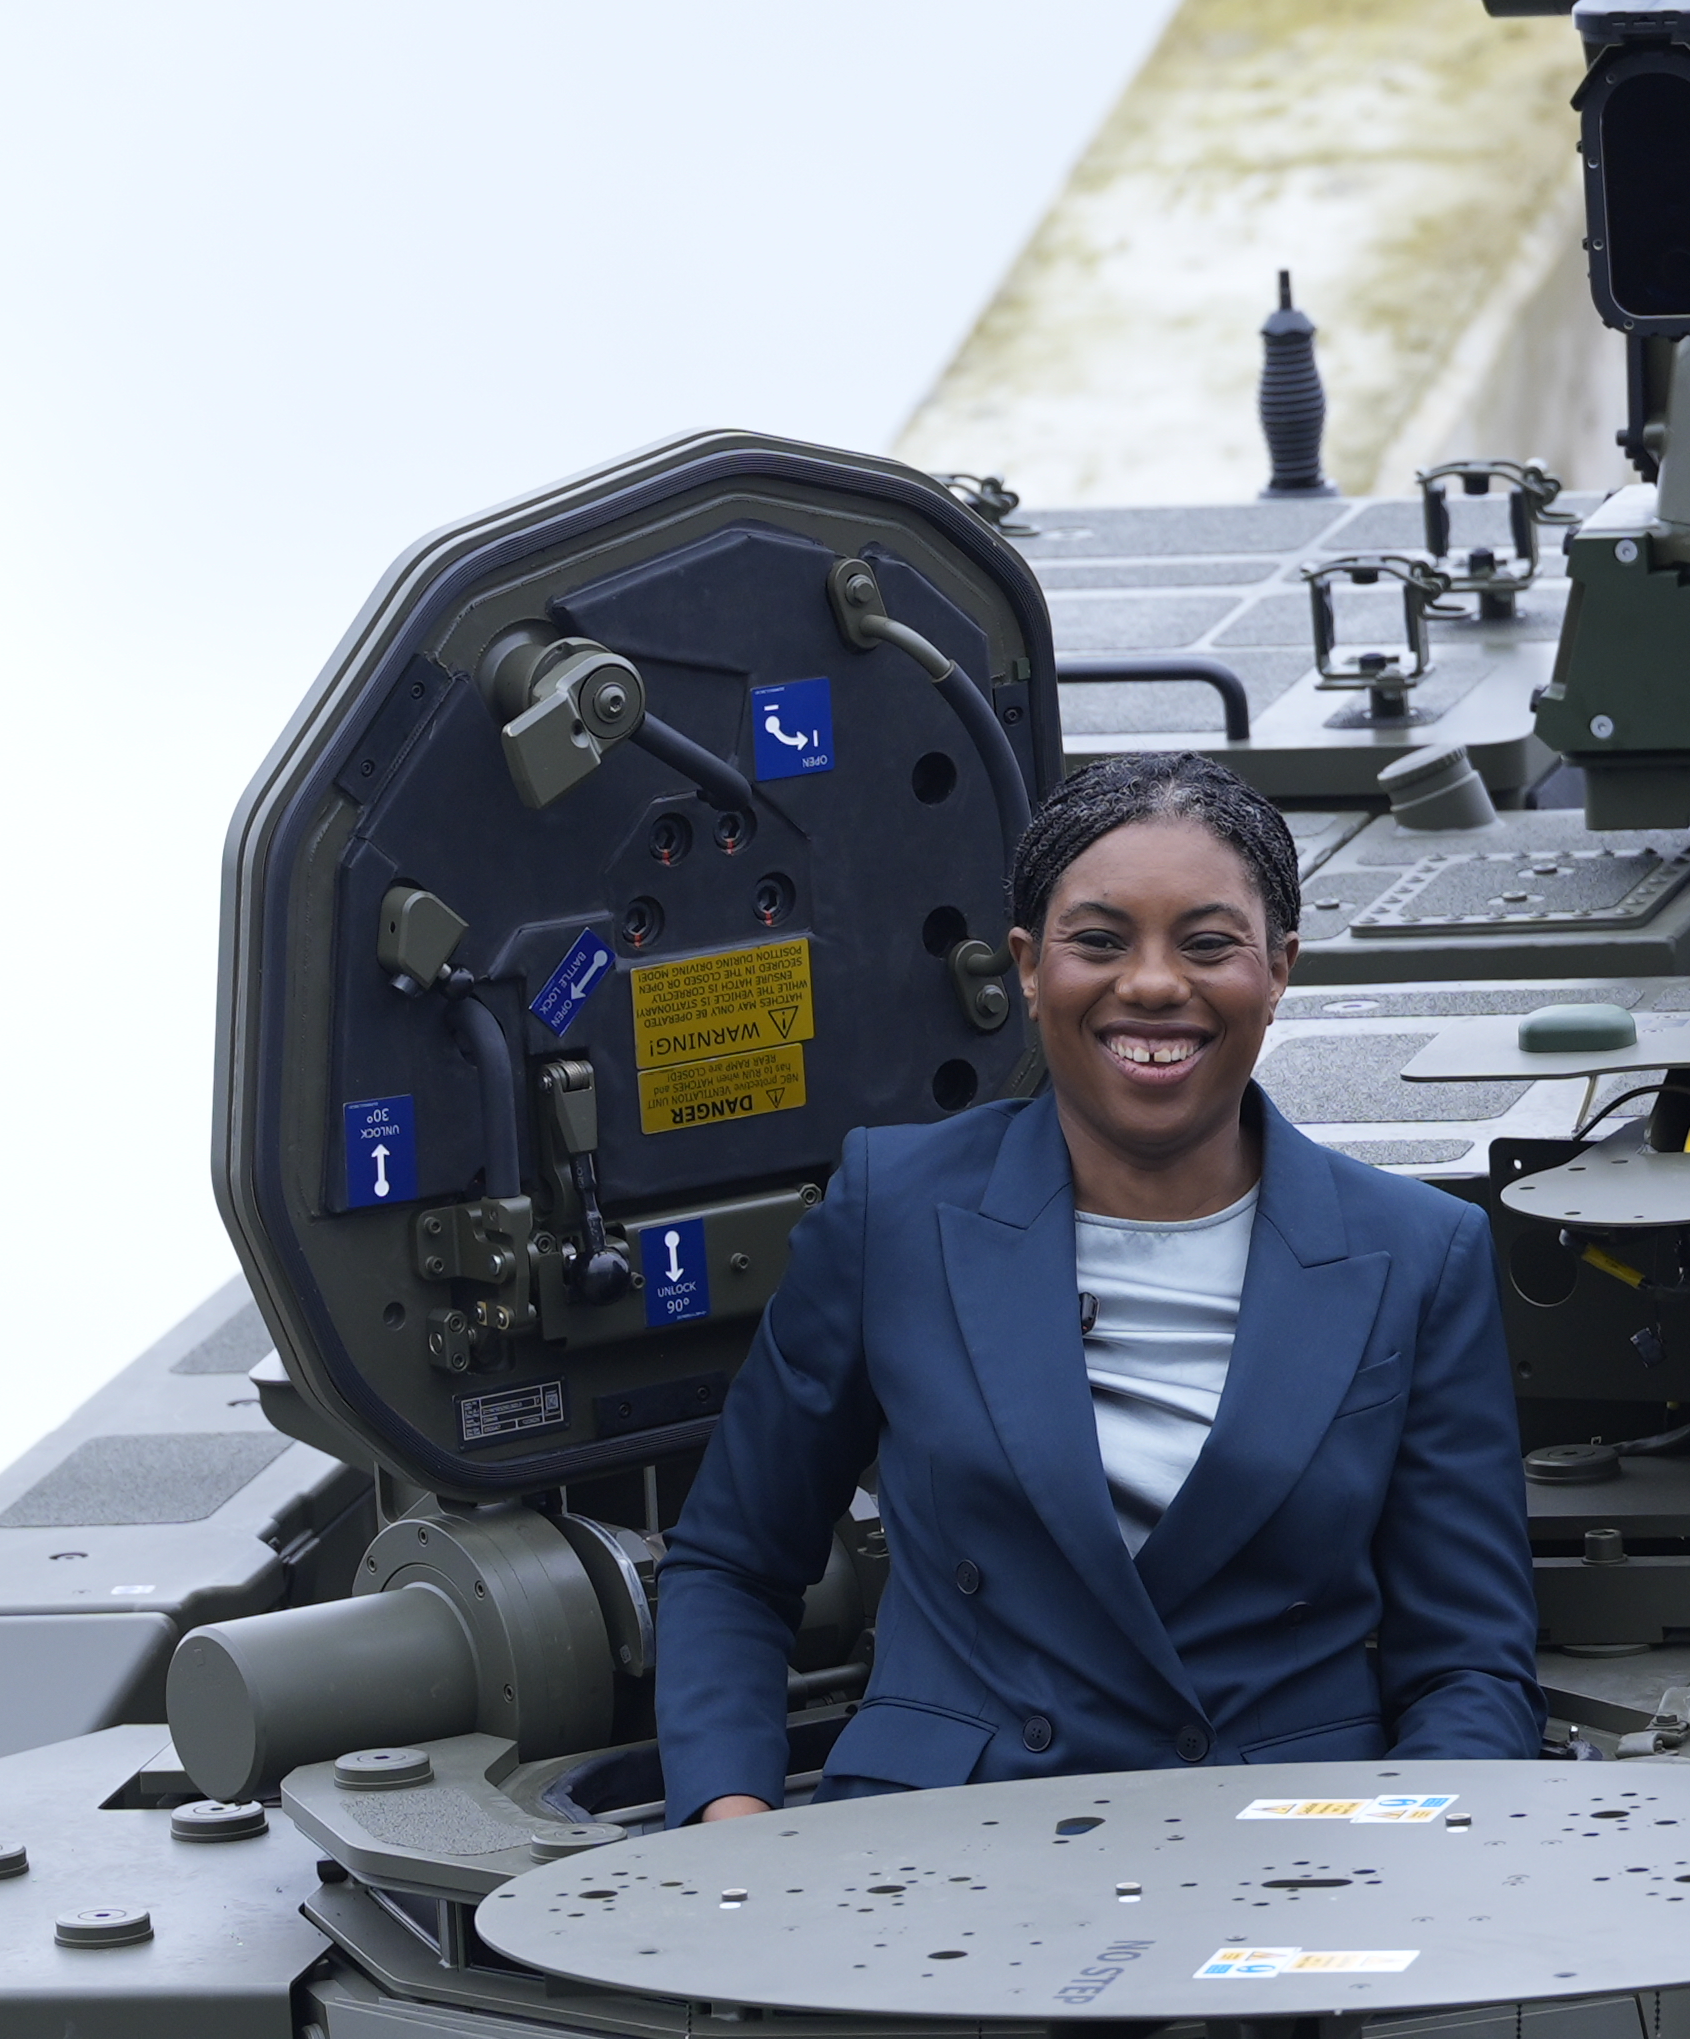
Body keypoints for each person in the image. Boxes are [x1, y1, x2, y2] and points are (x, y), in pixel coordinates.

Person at [650, 745, 1541, 1820]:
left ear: (1280, 968)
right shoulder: (894, 1209)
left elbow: (1468, 1664)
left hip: (1290, 1858)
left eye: (1209, 944)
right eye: (1099, 941)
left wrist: (1418, 1863)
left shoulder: (1418, 1254)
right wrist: (730, 1827)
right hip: (944, 1849)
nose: (1154, 983)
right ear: (1029, 966)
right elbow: (735, 1561)